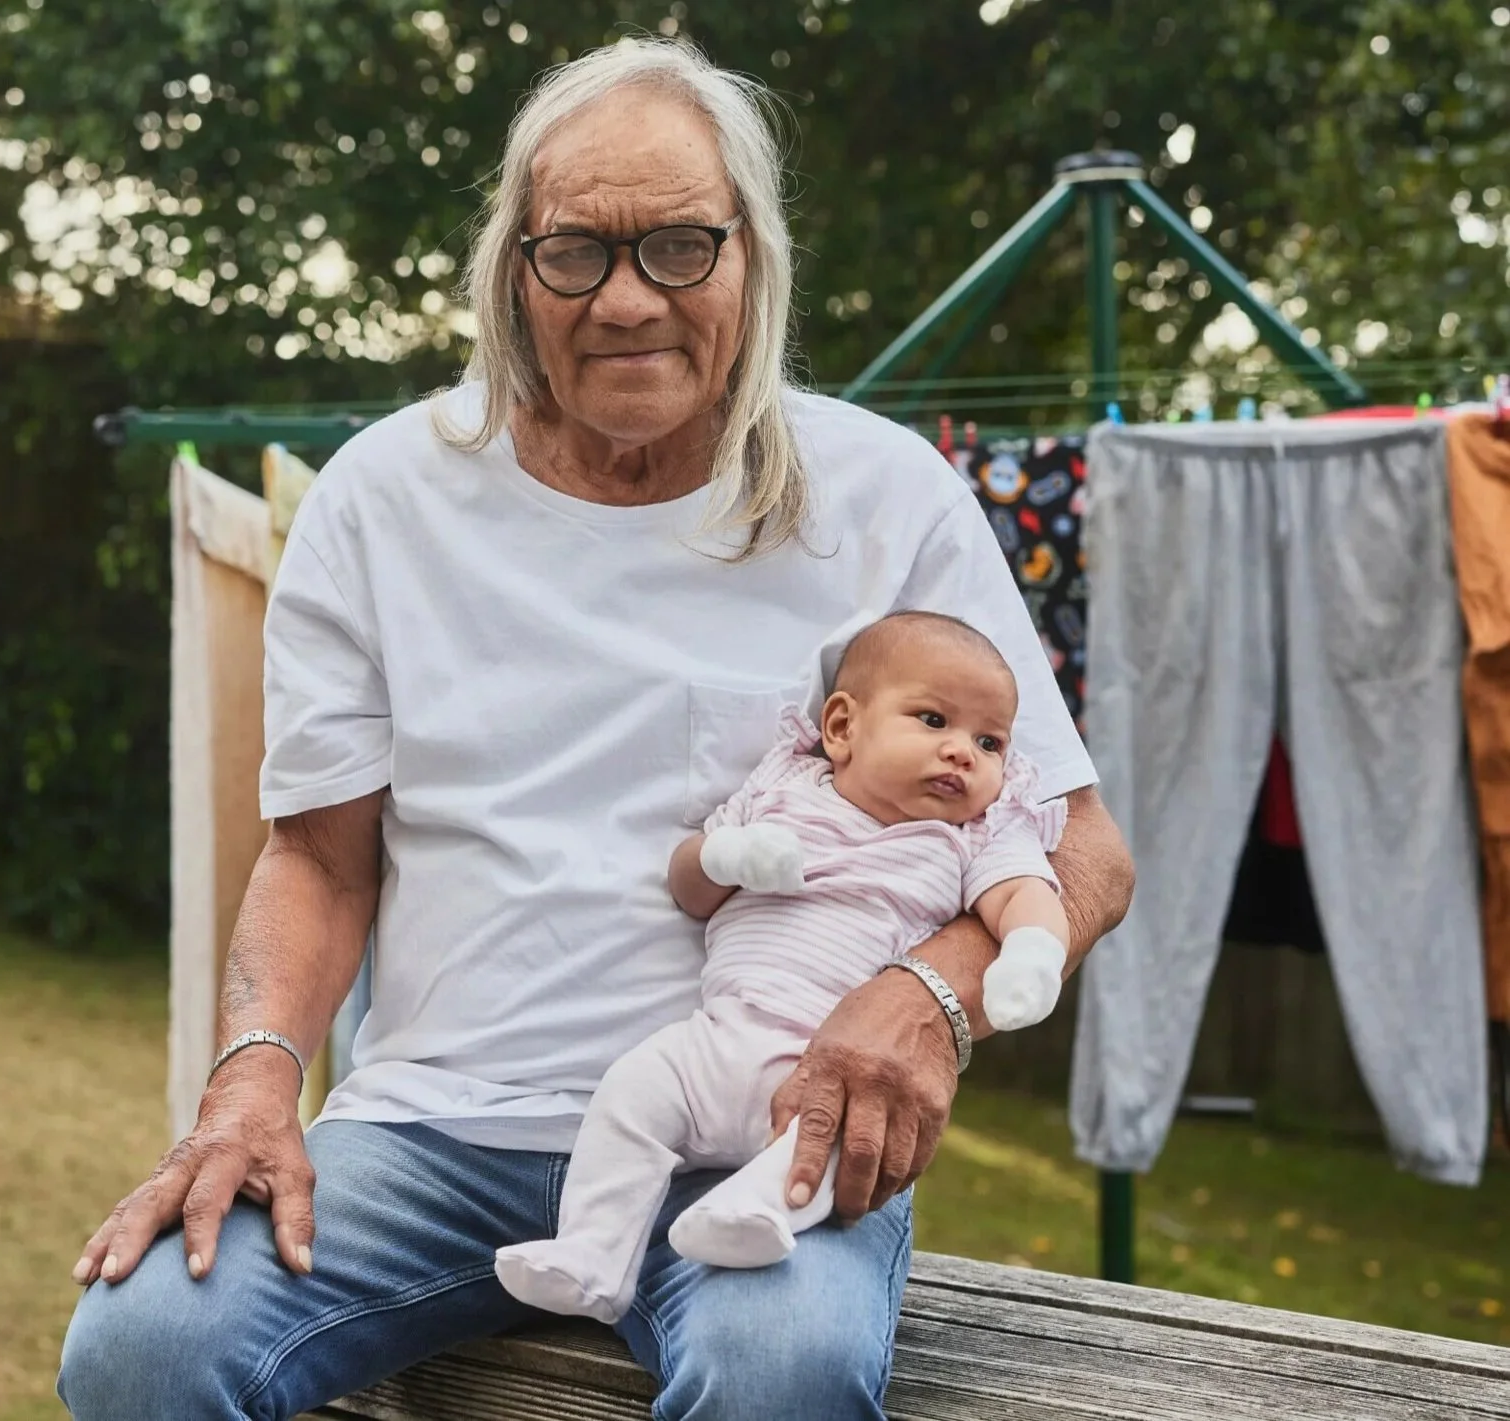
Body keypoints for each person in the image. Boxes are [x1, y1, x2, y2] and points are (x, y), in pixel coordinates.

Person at [59, 37, 1134, 1421]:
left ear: (753, 257)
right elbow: (319, 861)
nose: (629, 299)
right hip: (431, 1133)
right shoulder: (384, 499)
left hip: (759, 1127)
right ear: (516, 268)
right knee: (144, 1351)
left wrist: (924, 998)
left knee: (783, 1374)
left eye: (682, 247)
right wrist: (254, 1078)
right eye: (578, 252)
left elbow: (1082, 850)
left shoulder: (884, 497)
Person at [494, 611, 1075, 1323]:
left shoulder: (968, 838)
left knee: (827, 1143)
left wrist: (1033, 954)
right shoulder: (781, 788)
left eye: (989, 742)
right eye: (933, 719)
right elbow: (688, 885)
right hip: (715, 1039)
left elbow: (1027, 894)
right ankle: (591, 1255)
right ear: (840, 727)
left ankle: (754, 1213)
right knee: (632, 1096)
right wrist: (727, 856)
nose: (963, 753)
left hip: (831, 1063)